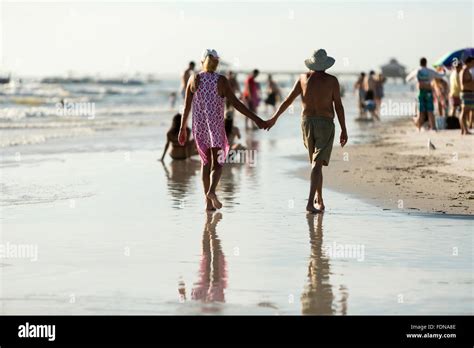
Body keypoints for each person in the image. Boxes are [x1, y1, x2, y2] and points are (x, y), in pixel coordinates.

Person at [178, 49, 266, 211]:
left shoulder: (194, 78)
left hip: (200, 126)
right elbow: (237, 105)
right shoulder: (222, 81)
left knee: (205, 162)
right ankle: (211, 192)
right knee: (218, 162)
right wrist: (257, 119)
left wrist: (182, 128)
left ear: (202, 62)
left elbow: (186, 107)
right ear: (217, 62)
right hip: (216, 126)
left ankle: (208, 204)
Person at [266, 49, 348, 213]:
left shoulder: (303, 78)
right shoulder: (332, 81)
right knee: (317, 165)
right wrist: (344, 130)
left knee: (315, 165)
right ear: (325, 65)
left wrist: (274, 118)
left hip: (306, 124)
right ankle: (310, 203)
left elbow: (288, 100)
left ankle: (320, 199)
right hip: (325, 124)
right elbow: (338, 106)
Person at [406, 57, 445, 131]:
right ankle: (433, 127)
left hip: (420, 93)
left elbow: (407, 79)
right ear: (426, 63)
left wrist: (416, 80)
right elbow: (441, 75)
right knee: (430, 111)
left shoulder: (417, 71)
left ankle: (419, 128)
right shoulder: (430, 71)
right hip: (428, 92)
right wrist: (443, 70)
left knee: (421, 112)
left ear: (420, 63)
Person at [459, 56, 474, 135]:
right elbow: (463, 84)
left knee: (465, 111)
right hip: (466, 93)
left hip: (468, 93)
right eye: (472, 62)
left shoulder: (466, 70)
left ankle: (463, 130)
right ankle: (465, 130)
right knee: (464, 112)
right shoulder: (464, 70)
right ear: (469, 62)